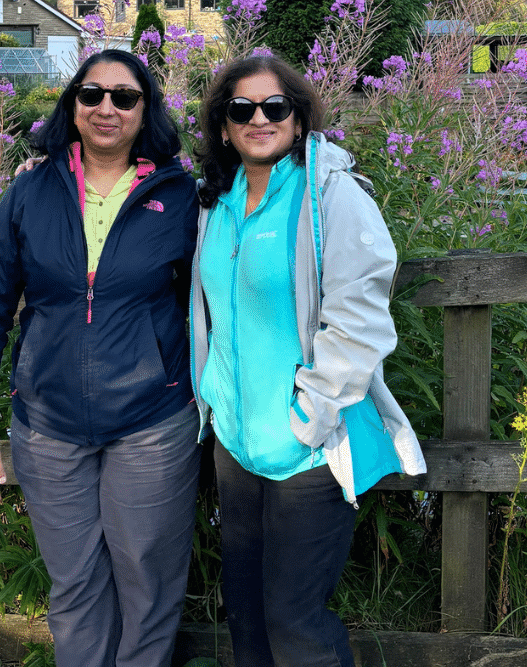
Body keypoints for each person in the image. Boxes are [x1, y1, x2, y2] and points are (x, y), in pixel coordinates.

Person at [0, 49, 201, 667]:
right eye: (92, 95)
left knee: (148, 585)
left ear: (146, 111)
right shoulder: (30, 190)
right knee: (74, 588)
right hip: (48, 427)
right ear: (71, 106)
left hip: (151, 423)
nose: (106, 108)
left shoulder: (179, 197)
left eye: (125, 96)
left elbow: (210, 302)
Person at [190, 54, 426, 667]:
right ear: (223, 127)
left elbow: (360, 315)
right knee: (245, 610)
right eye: (241, 109)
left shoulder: (329, 195)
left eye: (275, 107)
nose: (259, 119)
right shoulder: (215, 201)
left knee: (294, 620)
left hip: (309, 446)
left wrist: (314, 411)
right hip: (236, 442)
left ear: (298, 119)